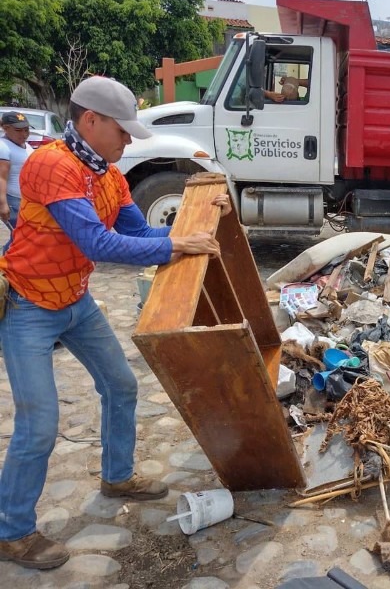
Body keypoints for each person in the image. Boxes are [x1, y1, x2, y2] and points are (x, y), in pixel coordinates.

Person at [0, 76, 231, 570]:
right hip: (29, 307)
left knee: (121, 385)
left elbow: (137, 230)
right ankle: (12, 531)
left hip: (76, 300)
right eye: (123, 131)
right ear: (91, 120)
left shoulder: (108, 174)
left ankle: (117, 475)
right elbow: (99, 246)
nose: (128, 140)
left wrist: (193, 226)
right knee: (39, 425)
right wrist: (173, 245)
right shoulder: (51, 166)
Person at [0, 111, 32, 250]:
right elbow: (1, 177)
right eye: (18, 130)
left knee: (23, 235)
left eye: (26, 130)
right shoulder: (3, 147)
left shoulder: (26, 145)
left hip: (25, 199)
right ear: (5, 128)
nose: (23, 134)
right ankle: (6, 264)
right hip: (12, 200)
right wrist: (3, 204)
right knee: (21, 236)